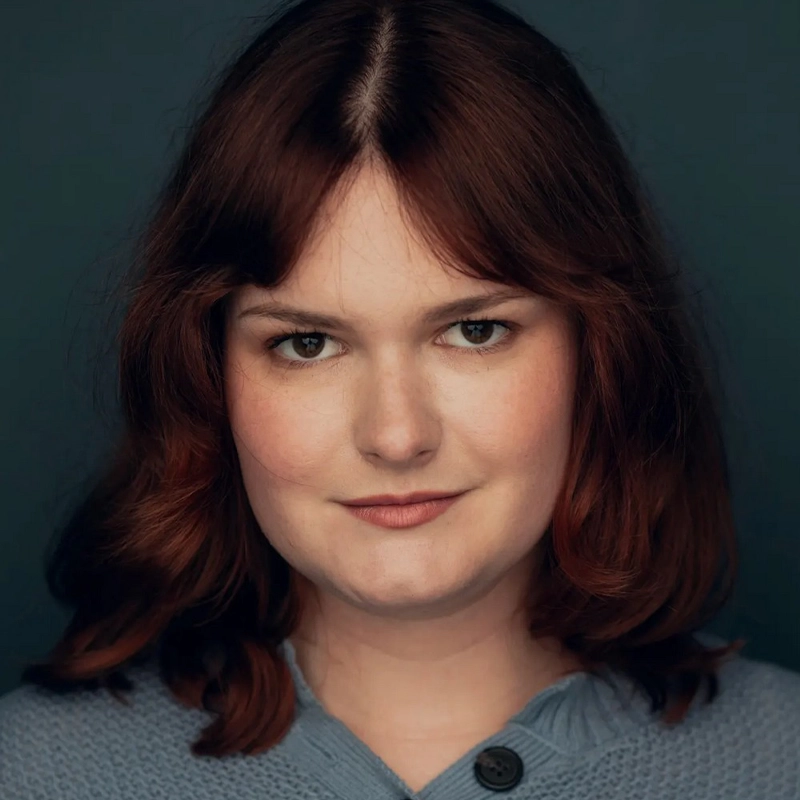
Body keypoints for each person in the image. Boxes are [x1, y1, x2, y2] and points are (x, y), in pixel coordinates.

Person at [1, 0, 799, 797]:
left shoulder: (779, 759)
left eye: (476, 331)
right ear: (208, 379)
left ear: (601, 351)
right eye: (307, 343)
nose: (395, 434)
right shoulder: (33, 769)